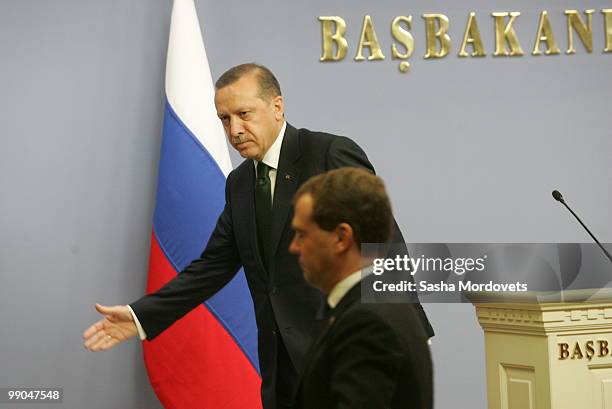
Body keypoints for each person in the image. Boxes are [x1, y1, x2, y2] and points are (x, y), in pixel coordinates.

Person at [82, 63, 433, 409]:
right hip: (282, 372)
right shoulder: (240, 184)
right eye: (225, 119)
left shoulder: (326, 153)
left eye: (244, 114)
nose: (235, 129)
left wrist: (406, 330)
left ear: (277, 107)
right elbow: (212, 266)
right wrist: (142, 315)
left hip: (347, 354)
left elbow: (383, 243)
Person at [289, 167, 433, 409]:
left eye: (302, 235)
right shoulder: (375, 306)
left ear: (342, 238)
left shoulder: (368, 323)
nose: (294, 247)